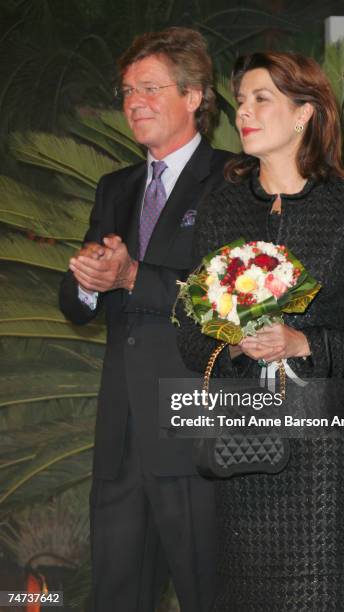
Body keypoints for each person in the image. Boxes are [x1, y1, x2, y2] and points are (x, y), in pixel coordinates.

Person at [177, 51, 344, 611]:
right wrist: (232, 344)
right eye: (242, 101)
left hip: (324, 450)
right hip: (241, 445)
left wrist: (305, 345)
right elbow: (188, 329)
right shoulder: (222, 207)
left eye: (261, 99)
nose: (243, 113)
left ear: (304, 113)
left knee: (324, 595)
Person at [59, 27, 231, 612]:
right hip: (120, 440)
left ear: (194, 96)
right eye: (128, 90)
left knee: (208, 595)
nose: (134, 102)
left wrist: (133, 277)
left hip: (196, 433)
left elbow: (232, 303)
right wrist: (87, 280)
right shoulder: (115, 187)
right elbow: (76, 303)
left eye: (151, 88)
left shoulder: (236, 181)